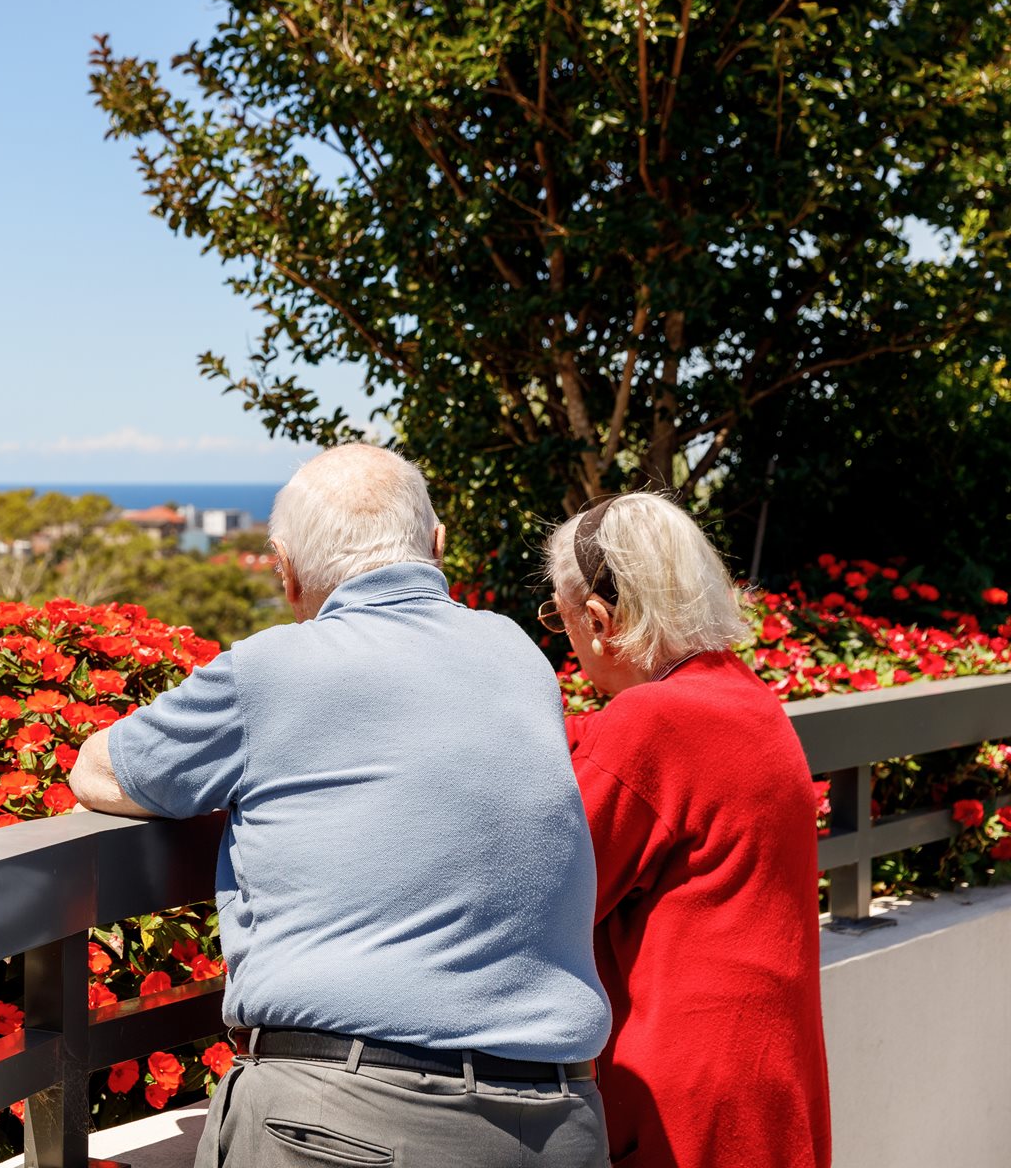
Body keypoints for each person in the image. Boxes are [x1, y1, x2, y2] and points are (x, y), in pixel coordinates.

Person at [70, 444, 611, 1167]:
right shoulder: (517, 652)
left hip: (344, 1125)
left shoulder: (270, 670)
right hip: (557, 1121)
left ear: (283, 570)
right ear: (437, 546)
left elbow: (102, 770)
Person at [541, 492, 830, 1168]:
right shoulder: (744, 699)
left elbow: (545, 886)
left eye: (560, 620)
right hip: (768, 1077)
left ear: (599, 618)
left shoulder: (648, 725)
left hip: (687, 1100)